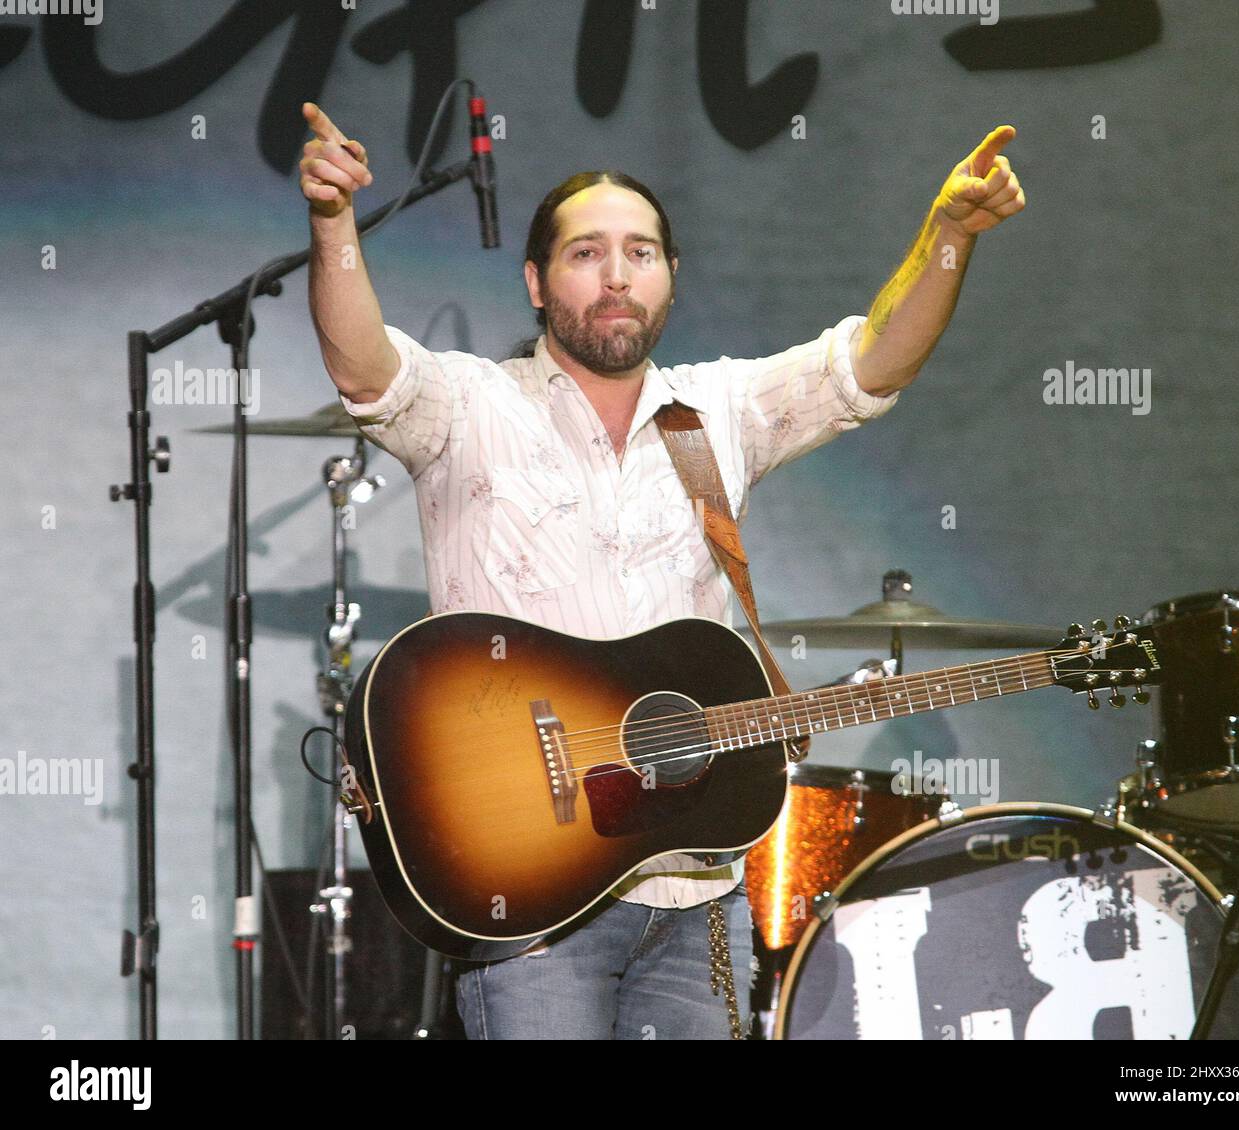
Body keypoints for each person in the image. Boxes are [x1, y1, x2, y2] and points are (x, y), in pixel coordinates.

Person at [299, 101, 1025, 1040]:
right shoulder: (468, 405)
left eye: (640, 252)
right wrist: (332, 225)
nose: (616, 275)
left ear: (670, 279)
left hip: (701, 900)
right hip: (531, 903)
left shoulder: (716, 411)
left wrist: (948, 235)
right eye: (585, 252)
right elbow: (365, 370)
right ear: (535, 279)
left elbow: (871, 366)